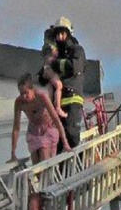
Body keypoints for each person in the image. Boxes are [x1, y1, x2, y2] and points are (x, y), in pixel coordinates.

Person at [39, 16, 86, 151]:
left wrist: (55, 64)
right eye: (57, 33)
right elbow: (42, 77)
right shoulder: (55, 54)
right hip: (57, 103)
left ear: (69, 34)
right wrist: (46, 70)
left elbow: (74, 66)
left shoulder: (77, 50)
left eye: (63, 33)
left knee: (71, 134)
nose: (60, 36)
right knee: (57, 140)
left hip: (72, 99)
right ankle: (62, 169)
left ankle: (75, 165)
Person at [10, 73, 71, 164]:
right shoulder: (19, 102)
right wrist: (13, 152)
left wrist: (65, 143)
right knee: (36, 164)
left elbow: (56, 119)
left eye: (26, 93)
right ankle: (39, 177)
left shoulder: (41, 96)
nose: (24, 97)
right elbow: (16, 128)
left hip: (48, 130)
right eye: (21, 93)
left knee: (44, 157)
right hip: (33, 132)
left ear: (32, 89)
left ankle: (47, 176)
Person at [40, 41, 68, 118]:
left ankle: (50, 108)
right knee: (59, 86)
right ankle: (58, 107)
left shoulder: (46, 57)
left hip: (46, 71)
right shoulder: (50, 58)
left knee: (51, 89)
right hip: (49, 71)